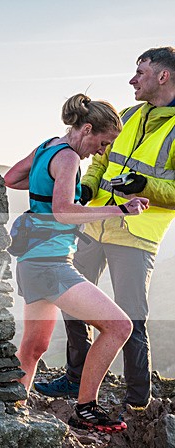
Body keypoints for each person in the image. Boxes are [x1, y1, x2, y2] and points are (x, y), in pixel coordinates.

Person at [35, 48, 175, 413]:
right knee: (73, 300)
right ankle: (74, 378)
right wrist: (82, 191)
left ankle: (136, 399)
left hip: (137, 233)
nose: (133, 79)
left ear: (163, 76)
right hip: (94, 223)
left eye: (140, 72)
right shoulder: (126, 115)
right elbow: (100, 161)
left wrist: (142, 186)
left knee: (130, 317)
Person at [4, 94, 149, 433]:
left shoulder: (48, 147)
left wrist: (49, 185)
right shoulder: (68, 157)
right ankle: (85, 409)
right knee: (119, 326)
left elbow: (11, 178)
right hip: (52, 263)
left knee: (35, 345)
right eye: (103, 142)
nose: (101, 150)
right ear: (86, 129)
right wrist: (120, 209)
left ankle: (14, 410)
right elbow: (63, 212)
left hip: (31, 260)